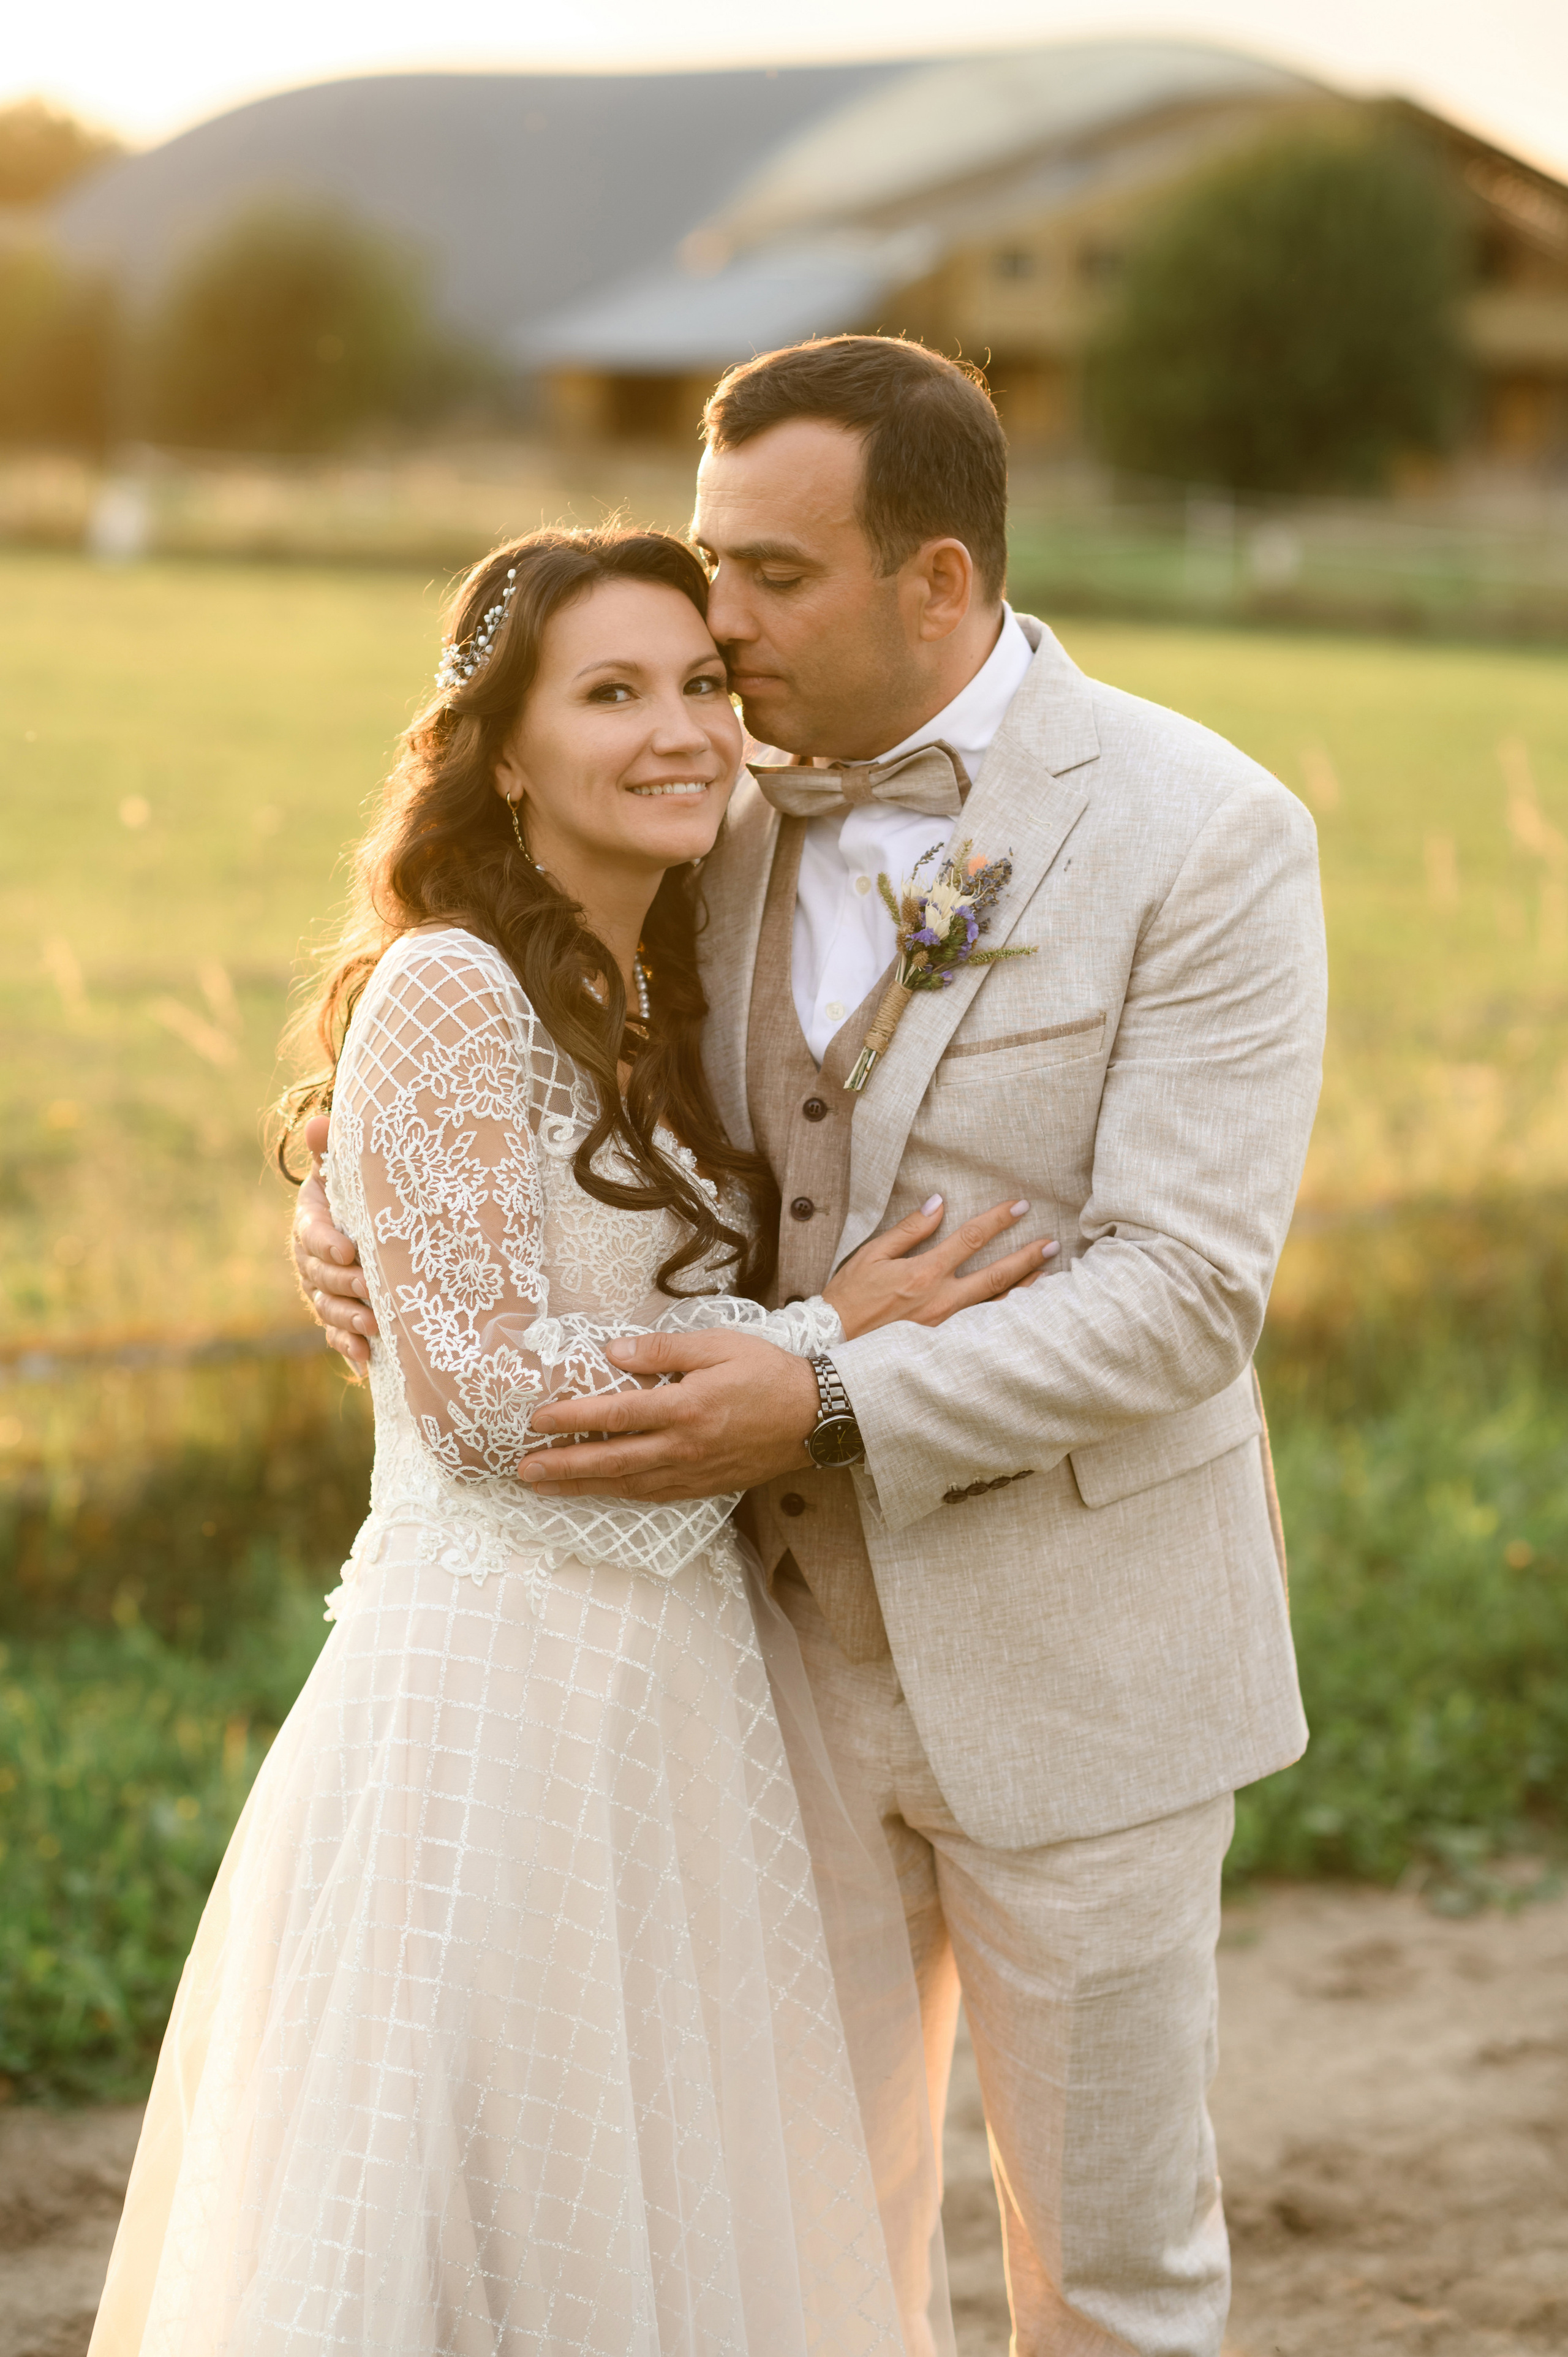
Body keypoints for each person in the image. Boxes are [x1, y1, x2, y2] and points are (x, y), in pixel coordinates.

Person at [296, 337, 1329, 2357]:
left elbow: (1188, 1290)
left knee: (1113, 2278)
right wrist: (342, 1212)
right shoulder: (704, 800)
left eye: (771, 578)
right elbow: (492, 1043)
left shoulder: (1205, 831)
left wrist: (828, 1389)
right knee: (794, 2259)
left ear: (935, 581)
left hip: (1084, 1663)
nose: (722, 631)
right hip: (742, 1670)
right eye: (712, 569)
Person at [92, 526, 1055, 2356]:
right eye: (611, 693)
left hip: (677, 1697)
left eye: (702, 683)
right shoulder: (453, 986)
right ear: (504, 753)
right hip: (492, 1703)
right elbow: (484, 1401)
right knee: (472, 2201)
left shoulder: (654, 984)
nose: (681, 729)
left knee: (647, 2204)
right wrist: (829, 1337)